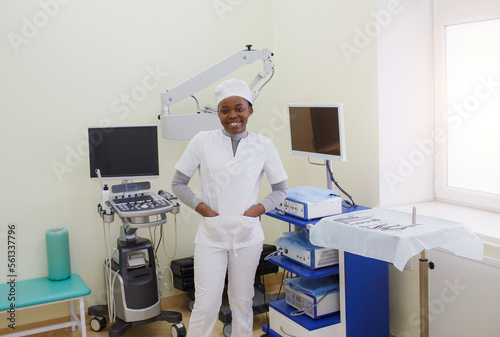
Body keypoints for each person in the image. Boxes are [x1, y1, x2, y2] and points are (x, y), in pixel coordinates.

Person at [171, 79, 288, 337]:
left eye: (239, 108)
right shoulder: (202, 141)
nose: (232, 115)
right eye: (225, 110)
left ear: (249, 110)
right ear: (218, 113)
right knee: (206, 305)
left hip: (247, 236)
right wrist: (204, 209)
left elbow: (280, 189)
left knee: (242, 302)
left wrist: (256, 211)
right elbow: (178, 183)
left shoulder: (263, 145)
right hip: (212, 235)